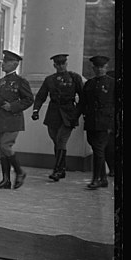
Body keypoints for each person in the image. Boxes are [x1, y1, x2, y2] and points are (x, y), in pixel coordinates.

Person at [0, 50, 34, 190]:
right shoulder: (1, 82)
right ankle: (6, 180)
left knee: (5, 146)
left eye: (6, 62)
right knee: (2, 150)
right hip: (0, 120)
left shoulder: (21, 82)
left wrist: (13, 106)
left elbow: (29, 100)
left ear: (14, 64)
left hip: (13, 120)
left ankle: (20, 172)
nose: (2, 64)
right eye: (3, 61)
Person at [31, 53, 84, 182]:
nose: (60, 66)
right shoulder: (50, 80)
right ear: (54, 65)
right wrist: (36, 110)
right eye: (58, 64)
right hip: (53, 114)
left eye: (62, 64)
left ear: (66, 64)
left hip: (68, 114)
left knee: (61, 140)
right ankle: (62, 169)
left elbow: (83, 98)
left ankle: (57, 170)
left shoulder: (74, 78)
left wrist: (77, 113)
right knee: (56, 141)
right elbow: (40, 96)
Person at [78, 55, 115, 190]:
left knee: (98, 150)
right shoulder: (89, 84)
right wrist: (74, 117)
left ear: (106, 68)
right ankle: (103, 179)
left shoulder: (112, 83)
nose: (99, 70)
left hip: (105, 122)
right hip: (91, 122)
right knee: (96, 149)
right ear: (93, 68)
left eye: (102, 67)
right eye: (97, 67)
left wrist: (114, 123)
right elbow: (83, 103)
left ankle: (96, 179)